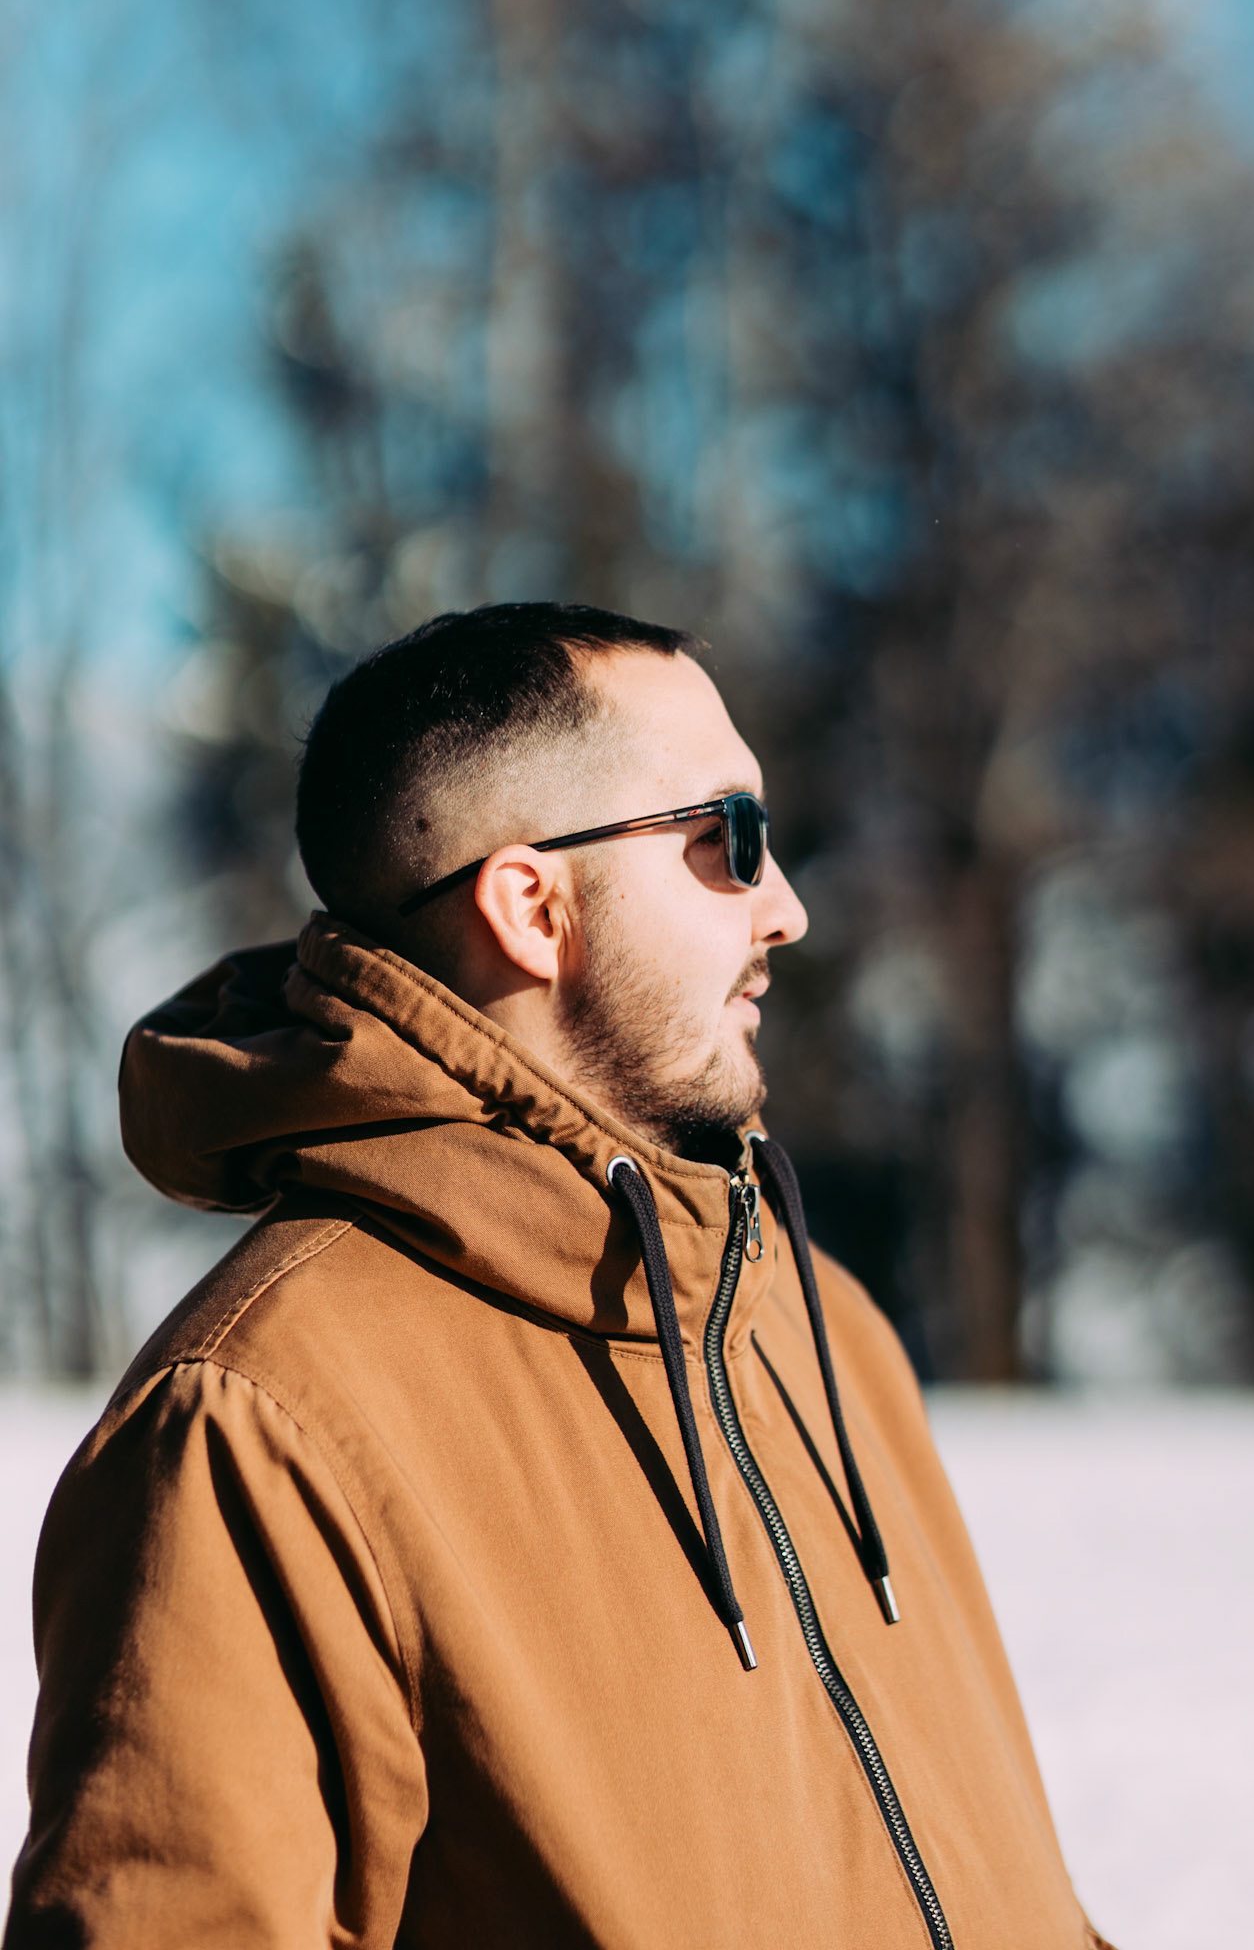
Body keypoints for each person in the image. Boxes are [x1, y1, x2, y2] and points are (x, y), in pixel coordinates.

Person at [5, 604, 1112, 1949]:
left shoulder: (817, 1327)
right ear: (534, 907)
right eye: (728, 839)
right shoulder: (255, 1423)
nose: (786, 909)